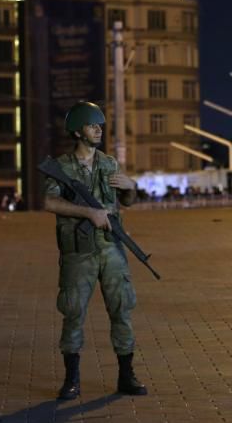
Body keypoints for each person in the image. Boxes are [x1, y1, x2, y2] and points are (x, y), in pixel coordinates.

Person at [43, 101, 148, 399]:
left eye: (99, 125)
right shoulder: (62, 167)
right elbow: (49, 202)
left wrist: (131, 185)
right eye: (92, 125)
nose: (98, 129)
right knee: (74, 312)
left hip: (111, 249)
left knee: (122, 309)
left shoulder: (109, 163)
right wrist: (88, 213)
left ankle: (126, 376)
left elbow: (126, 202)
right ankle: (71, 380)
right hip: (78, 251)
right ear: (77, 131)